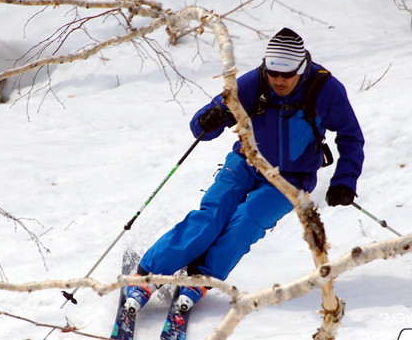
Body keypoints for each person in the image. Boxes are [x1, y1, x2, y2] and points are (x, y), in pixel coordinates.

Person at [124, 28, 364, 314]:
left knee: (247, 221)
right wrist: (209, 119)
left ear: (301, 69)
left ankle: (202, 276)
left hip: (289, 180)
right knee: (211, 216)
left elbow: (351, 137)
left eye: (286, 75)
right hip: (245, 162)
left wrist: (345, 180)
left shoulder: (325, 90)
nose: (278, 81)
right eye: (273, 73)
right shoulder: (255, 82)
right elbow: (200, 126)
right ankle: (148, 275)